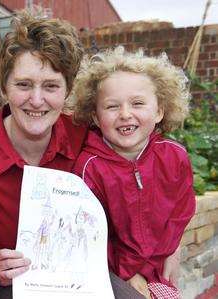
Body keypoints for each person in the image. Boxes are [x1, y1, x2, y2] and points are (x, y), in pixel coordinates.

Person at [0, 10, 88, 296]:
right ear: (4, 88)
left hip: (79, 284)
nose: (36, 100)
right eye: (23, 84)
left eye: (51, 86)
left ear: (67, 91)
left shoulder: (86, 137)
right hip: (9, 288)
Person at [71, 47, 196, 298]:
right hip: (111, 273)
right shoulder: (89, 168)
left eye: (137, 103)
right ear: (95, 116)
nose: (125, 114)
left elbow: (181, 211)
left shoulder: (174, 156)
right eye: (112, 106)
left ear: (159, 111)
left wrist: (171, 251)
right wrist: (127, 272)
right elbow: (92, 234)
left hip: (160, 267)